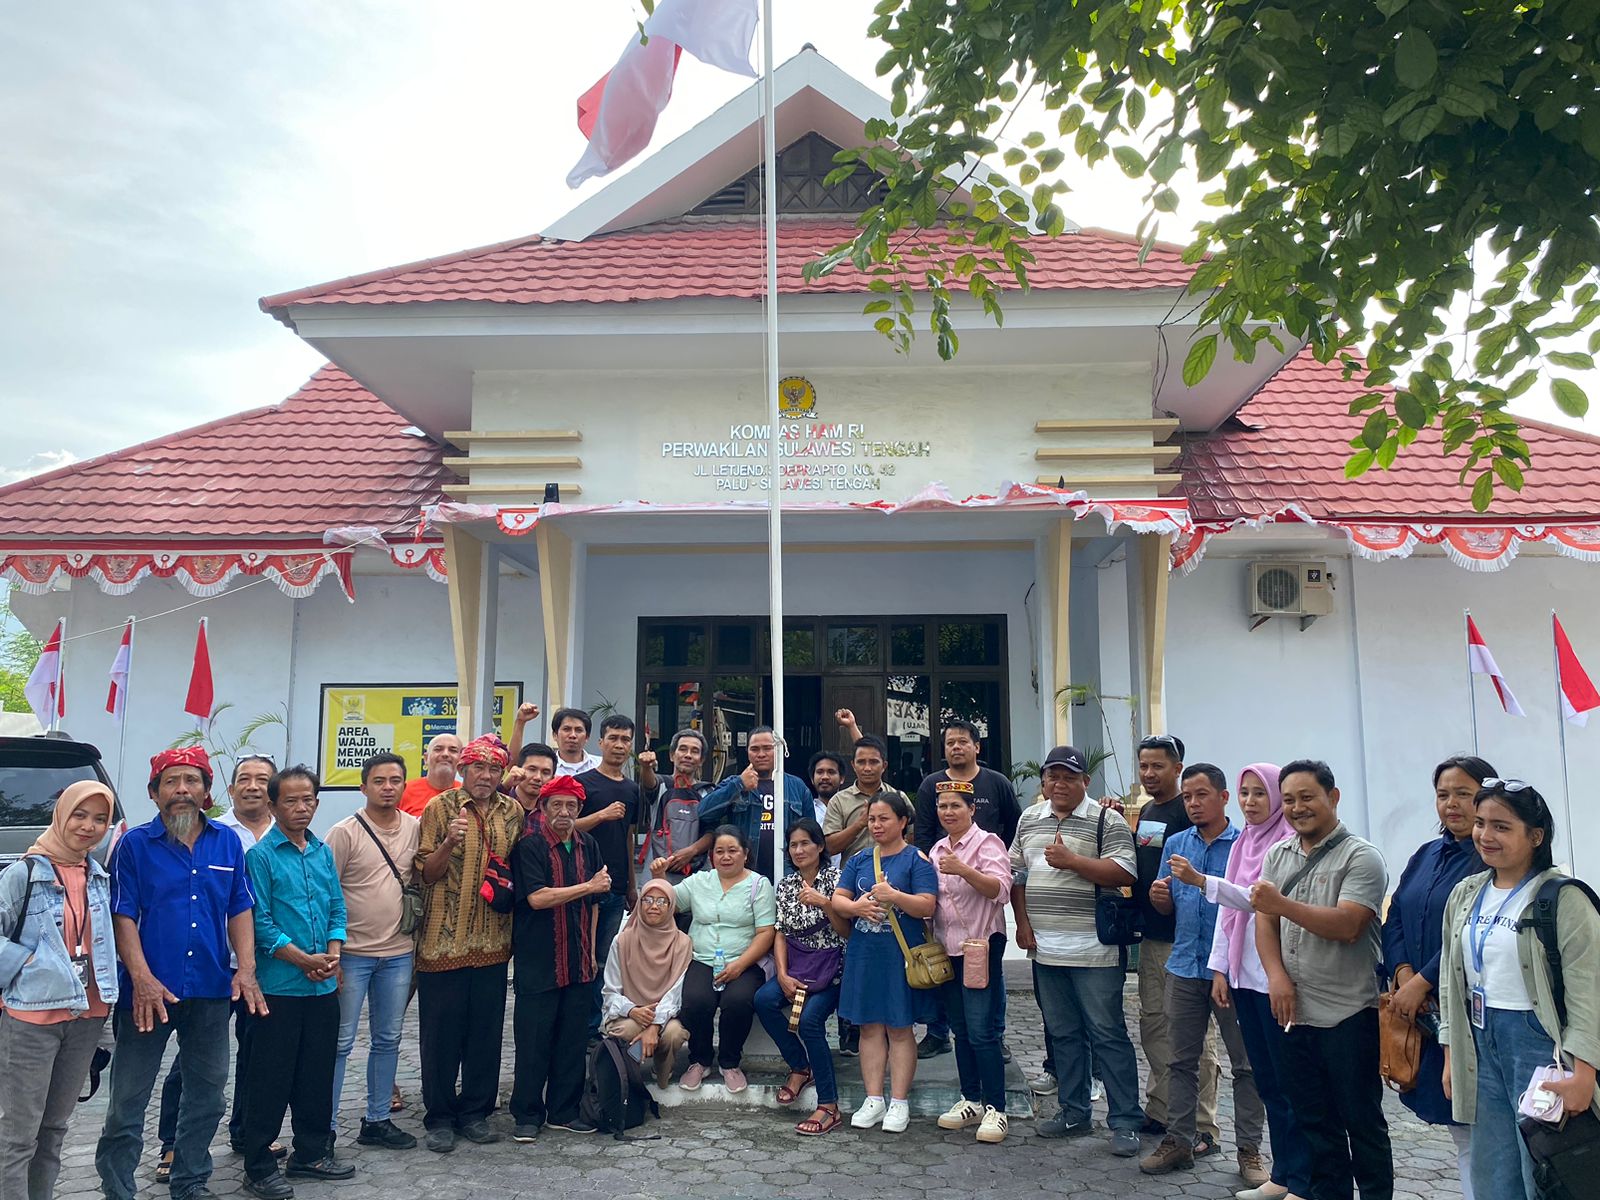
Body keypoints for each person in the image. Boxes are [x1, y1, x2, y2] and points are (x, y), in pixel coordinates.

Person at [96, 747, 266, 1200]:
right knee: (127, 1102)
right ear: (154, 794)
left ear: (208, 792)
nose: (182, 791)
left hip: (210, 990)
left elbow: (240, 906)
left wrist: (246, 969)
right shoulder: (134, 845)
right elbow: (123, 914)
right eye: (171, 782)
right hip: (147, 995)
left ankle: (190, 1181)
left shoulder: (227, 842)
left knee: (208, 1095)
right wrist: (143, 977)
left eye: (192, 781)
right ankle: (118, 1190)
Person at [1439, 778, 1600, 1200]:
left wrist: (1584, 1072)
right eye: (1480, 823)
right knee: (1493, 1173)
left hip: (1538, 1045)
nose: (1485, 836)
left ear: (1536, 836)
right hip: (1480, 1041)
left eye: (1501, 827)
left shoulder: (1563, 899)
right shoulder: (1465, 895)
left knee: (1546, 1172)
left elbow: (1590, 991)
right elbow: (1450, 981)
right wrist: (1451, 1051)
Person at [1253, 759, 1392, 1200]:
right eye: (1289, 800)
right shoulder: (1279, 854)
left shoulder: (1362, 856)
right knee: (1314, 1122)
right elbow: (1264, 922)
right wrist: (1275, 976)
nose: (1297, 808)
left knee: (1361, 1122)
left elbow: (1348, 925)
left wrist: (1281, 903)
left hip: (1348, 1011)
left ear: (1332, 797)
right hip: (1294, 1011)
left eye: (1307, 797)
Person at [1176, 763, 1312, 1200]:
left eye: (1260, 794)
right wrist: (1220, 968)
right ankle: (1283, 1175)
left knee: (1290, 1084)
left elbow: (1259, 900)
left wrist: (1203, 882)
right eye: (1246, 793)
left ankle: (1305, 1180)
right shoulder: (1245, 844)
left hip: (1279, 976)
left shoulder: (1288, 844)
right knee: (1270, 1081)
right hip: (1244, 976)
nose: (1252, 803)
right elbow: (1228, 919)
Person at [1011, 745, 1143, 1156]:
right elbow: (1017, 873)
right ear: (1043, 781)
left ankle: (1124, 1121)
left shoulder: (1107, 819)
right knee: (1062, 1034)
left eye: (1069, 777)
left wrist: (1073, 862)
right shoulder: (1030, 818)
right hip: (1046, 951)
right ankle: (1074, 1111)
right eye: (1052, 776)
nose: (1059, 783)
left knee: (1107, 1034)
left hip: (1094, 951)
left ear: (1085, 781)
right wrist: (1023, 923)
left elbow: (1125, 871)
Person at [157, 753, 279, 1178]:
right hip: (213, 966)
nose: (252, 786)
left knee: (256, 1052)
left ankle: (246, 1131)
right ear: (226, 790)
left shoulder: (287, 832)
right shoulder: (215, 832)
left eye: (262, 779)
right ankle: (172, 1144)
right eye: (243, 779)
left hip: (265, 965)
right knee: (191, 1061)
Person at [1144, 764, 1266, 1185]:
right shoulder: (1176, 843)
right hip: (1183, 966)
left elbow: (1248, 905)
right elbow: (1168, 906)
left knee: (1246, 1064)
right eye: (1188, 798)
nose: (1193, 804)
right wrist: (1159, 897)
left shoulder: (1244, 845)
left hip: (1233, 973)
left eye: (1202, 795)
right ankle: (1179, 1140)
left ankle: (1249, 1150)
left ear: (1223, 797)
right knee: (1180, 1060)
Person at [1380, 754, 1493, 1197]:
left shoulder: (1492, 858)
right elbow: (1396, 921)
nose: (1451, 804)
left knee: (1477, 1124)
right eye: (1443, 795)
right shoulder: (1426, 854)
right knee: (1457, 1124)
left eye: (1463, 794)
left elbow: (1471, 928)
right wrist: (1404, 972)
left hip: (1470, 1012)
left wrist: (1422, 982)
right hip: (1424, 1013)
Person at [239, 766, 354, 1198]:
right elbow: (260, 922)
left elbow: (337, 909)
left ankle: (311, 1153)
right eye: (290, 800)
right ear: (272, 805)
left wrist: (333, 954)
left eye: (308, 799)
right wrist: (302, 958)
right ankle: (258, 1165)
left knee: (316, 1074)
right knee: (270, 1078)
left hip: (323, 987)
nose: (301, 807)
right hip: (278, 989)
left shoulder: (322, 852)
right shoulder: (261, 857)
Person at [0, 780, 118, 1200]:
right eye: (80, 815)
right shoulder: (24, 873)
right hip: (32, 1021)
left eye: (100, 819)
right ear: (61, 816)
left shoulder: (99, 877)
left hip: (85, 1018)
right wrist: (31, 966)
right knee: (16, 1138)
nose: (89, 826)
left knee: (53, 1131)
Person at [412, 733, 523, 1153]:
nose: (487, 776)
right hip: (442, 942)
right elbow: (426, 873)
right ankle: (439, 1116)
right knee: (440, 1035)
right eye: (479, 768)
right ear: (464, 770)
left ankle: (475, 1111)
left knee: (485, 1033)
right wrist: (449, 842)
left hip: (493, 940)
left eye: (495, 769)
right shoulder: (439, 808)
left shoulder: (511, 811)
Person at [324, 752, 422, 1151]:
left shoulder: (415, 827)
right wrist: (331, 953)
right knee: (340, 1042)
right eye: (379, 781)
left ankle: (377, 1119)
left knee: (388, 1038)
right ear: (363, 787)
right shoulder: (344, 832)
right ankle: (324, 1127)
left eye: (395, 780)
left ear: (404, 785)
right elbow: (327, 893)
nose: (387, 787)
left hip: (398, 952)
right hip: (352, 955)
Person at [912, 720, 1020, 1059]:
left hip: (982, 898)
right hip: (942, 885)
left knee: (987, 977)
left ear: (977, 747)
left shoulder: (996, 783)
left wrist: (985, 863)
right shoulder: (932, 784)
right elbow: (924, 831)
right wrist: (933, 870)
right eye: (949, 743)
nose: (956, 748)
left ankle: (994, 1036)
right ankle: (938, 1032)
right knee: (944, 971)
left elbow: (1014, 828)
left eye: (962, 742)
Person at [834, 793, 940, 1134]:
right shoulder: (860, 859)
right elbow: (839, 898)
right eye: (872, 819)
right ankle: (873, 1098)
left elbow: (927, 905)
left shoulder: (916, 861)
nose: (876, 825)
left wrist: (894, 896)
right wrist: (856, 909)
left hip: (900, 956)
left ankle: (899, 1101)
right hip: (865, 954)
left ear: (903, 821)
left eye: (884, 819)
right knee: (868, 1026)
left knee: (899, 1026)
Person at [510, 775, 608, 1140]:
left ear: (580, 809)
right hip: (540, 959)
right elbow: (536, 898)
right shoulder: (531, 846)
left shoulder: (589, 845)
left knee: (571, 1041)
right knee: (533, 1041)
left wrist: (594, 949)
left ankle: (563, 1110)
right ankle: (527, 1114)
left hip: (580, 959)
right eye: (557, 805)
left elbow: (597, 903)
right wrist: (587, 887)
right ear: (544, 809)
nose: (564, 812)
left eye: (571, 806)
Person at [1131, 733, 1219, 1141]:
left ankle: (1202, 1125)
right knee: (1154, 1027)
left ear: (1177, 767)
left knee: (1194, 1040)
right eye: (1144, 766)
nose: (1149, 773)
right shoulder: (1150, 808)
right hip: (1154, 935)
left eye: (1158, 766)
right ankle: (1163, 1108)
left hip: (1189, 944)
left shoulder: (1190, 816)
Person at [649, 825, 776, 1092]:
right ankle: (700, 1060)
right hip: (702, 958)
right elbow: (668, 903)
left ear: (745, 854)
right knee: (695, 1000)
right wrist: (660, 876)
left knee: (738, 1001)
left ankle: (729, 1062)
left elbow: (766, 932)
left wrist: (740, 965)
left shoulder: (759, 885)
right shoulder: (699, 882)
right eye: (720, 851)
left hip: (746, 961)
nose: (726, 857)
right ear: (711, 856)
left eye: (732, 851)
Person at [752, 819, 851, 1135]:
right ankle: (799, 1065)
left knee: (810, 1021)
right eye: (793, 845)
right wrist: (781, 974)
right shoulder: (785, 885)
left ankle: (829, 1105)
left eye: (805, 843)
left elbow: (846, 931)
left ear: (820, 846)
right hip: (796, 966)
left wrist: (825, 903)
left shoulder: (838, 880)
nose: (799, 850)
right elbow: (780, 932)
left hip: (832, 968)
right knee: (764, 1000)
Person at [929, 781, 1013, 1144]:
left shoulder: (987, 843)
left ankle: (997, 1107)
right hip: (947, 950)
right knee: (960, 1029)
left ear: (971, 810)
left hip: (980, 947)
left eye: (955, 806)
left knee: (982, 1031)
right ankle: (971, 1099)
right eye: (943, 806)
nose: (948, 812)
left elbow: (1001, 889)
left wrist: (964, 870)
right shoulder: (935, 849)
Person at [575, 714, 640, 1037]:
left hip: (615, 888)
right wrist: (600, 815)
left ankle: (590, 1028)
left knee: (602, 958)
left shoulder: (631, 789)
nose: (618, 745)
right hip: (580, 885)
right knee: (579, 956)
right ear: (600, 742)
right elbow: (565, 827)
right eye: (613, 738)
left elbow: (628, 837)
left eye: (625, 739)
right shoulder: (583, 784)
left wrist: (631, 883)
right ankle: (574, 1027)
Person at [601, 877, 693, 1089]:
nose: (653, 906)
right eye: (647, 900)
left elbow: (675, 994)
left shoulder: (682, 943)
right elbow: (610, 991)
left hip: (665, 1016)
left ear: (671, 907)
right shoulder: (623, 941)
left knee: (673, 1033)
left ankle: (662, 1070)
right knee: (627, 1029)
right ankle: (627, 1074)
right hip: (630, 1015)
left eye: (662, 902)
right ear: (639, 903)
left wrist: (654, 1025)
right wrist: (632, 1010)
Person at [698, 727, 812, 881]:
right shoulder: (734, 783)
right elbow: (703, 812)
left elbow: (812, 834)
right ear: (747, 752)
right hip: (744, 875)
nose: (761, 754)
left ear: (778, 750)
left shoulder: (797, 786)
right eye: (755, 749)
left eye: (767, 748)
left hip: (789, 876)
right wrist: (739, 785)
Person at [637, 730, 714, 887]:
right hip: (657, 875)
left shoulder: (708, 792)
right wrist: (646, 767)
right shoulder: (661, 784)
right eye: (683, 749)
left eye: (695, 751)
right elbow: (649, 783)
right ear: (672, 755)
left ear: (701, 760)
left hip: (699, 878)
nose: (688, 755)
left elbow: (713, 832)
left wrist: (691, 851)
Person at [823, 735, 905, 864]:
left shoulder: (899, 797)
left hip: (894, 874)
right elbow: (829, 847)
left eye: (873, 762)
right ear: (853, 765)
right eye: (861, 762)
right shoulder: (839, 801)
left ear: (884, 765)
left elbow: (911, 838)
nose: (867, 768)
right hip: (853, 877)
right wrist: (859, 825)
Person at [399, 733, 462, 819]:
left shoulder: (466, 794)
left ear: (461, 759)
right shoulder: (403, 791)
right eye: (438, 749)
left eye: (453, 750)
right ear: (426, 758)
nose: (445, 754)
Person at [506, 742, 559, 816]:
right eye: (532, 769)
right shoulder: (499, 801)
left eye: (545, 772)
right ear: (518, 769)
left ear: (552, 779)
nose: (538, 777)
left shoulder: (551, 813)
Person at [550, 707, 601, 777]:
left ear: (587, 737)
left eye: (578, 730)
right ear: (555, 735)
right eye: (566, 729)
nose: (572, 735)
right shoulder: (547, 767)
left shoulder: (600, 765)